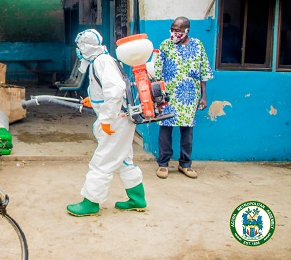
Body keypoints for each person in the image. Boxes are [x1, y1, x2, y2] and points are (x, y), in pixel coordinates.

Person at [66, 29, 146, 216]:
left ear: (86, 47)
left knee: (101, 162)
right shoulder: (102, 60)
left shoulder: (102, 62)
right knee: (124, 160)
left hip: (116, 120)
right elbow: (105, 90)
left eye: (79, 47)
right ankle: (137, 199)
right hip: (120, 118)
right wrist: (92, 100)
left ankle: (90, 203)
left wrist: (107, 120)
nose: (78, 50)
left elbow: (116, 90)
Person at [154, 17, 213, 179]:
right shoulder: (166, 45)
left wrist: (203, 97)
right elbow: (157, 70)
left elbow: (204, 71)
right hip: (169, 95)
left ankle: (185, 164)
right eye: (173, 29)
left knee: (187, 131)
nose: (174, 33)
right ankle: (163, 164)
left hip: (190, 96)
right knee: (165, 128)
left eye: (178, 30)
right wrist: (157, 95)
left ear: (187, 30)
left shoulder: (197, 45)